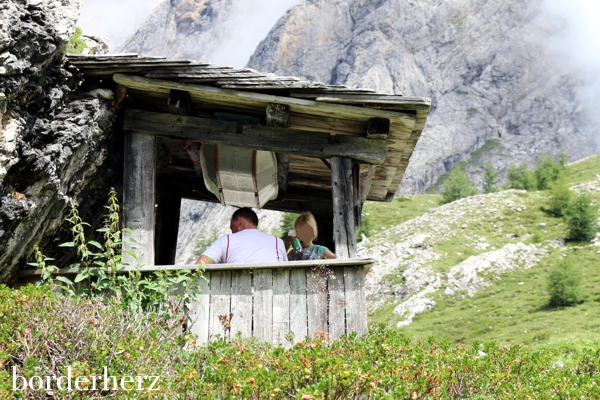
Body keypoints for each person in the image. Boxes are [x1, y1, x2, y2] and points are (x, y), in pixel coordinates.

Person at [195, 207, 288, 264]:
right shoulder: (277, 241)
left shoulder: (226, 240)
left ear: (239, 222)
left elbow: (201, 264)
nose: (232, 233)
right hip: (271, 294)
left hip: (236, 293)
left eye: (232, 228)